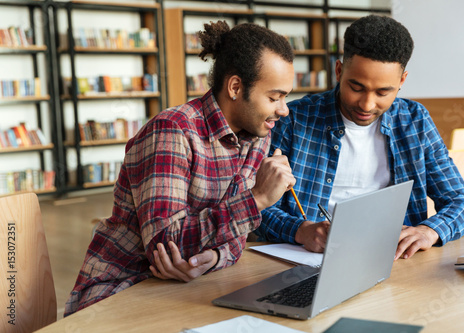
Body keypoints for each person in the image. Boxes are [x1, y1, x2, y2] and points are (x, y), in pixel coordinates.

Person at [65, 21, 296, 316]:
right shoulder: (172, 132)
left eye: (285, 96)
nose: (283, 109)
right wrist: (258, 199)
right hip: (120, 290)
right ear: (236, 87)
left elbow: (235, 238)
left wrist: (212, 257)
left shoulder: (258, 139)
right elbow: (166, 244)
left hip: (190, 286)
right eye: (274, 97)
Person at [255, 15, 464, 259]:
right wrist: (301, 230)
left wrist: (429, 231)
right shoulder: (293, 119)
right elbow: (257, 209)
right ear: (339, 71)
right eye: (356, 87)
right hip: (310, 263)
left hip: (396, 263)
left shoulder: (416, 121)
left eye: (383, 92)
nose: (367, 104)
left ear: (402, 80)